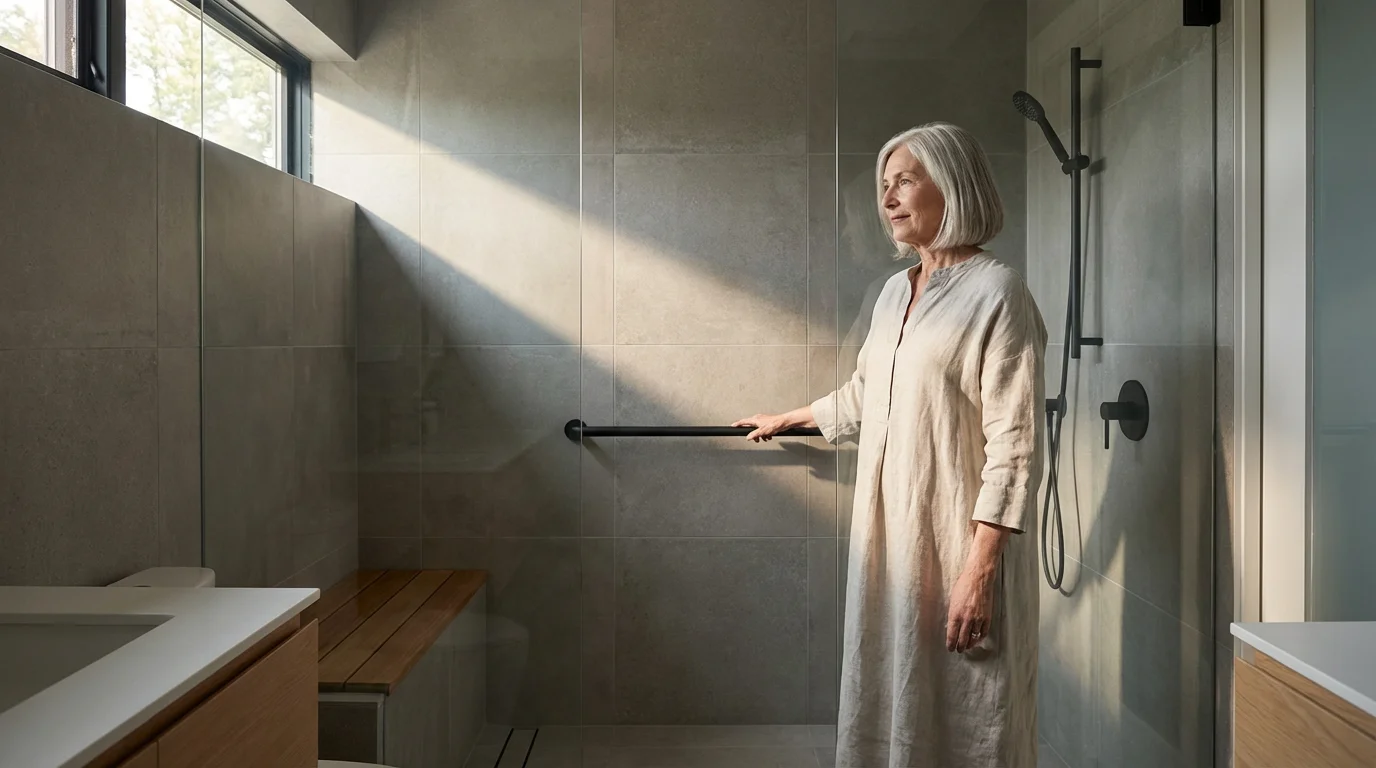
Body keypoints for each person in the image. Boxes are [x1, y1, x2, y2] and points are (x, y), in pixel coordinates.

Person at [734, 122, 1047, 768]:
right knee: (891, 692)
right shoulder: (892, 293)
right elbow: (865, 394)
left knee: (968, 705)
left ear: (953, 183)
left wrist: (980, 570)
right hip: (891, 541)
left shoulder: (998, 293)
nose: (889, 197)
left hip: (957, 541)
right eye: (884, 185)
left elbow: (1016, 444)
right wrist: (790, 417)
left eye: (906, 179)